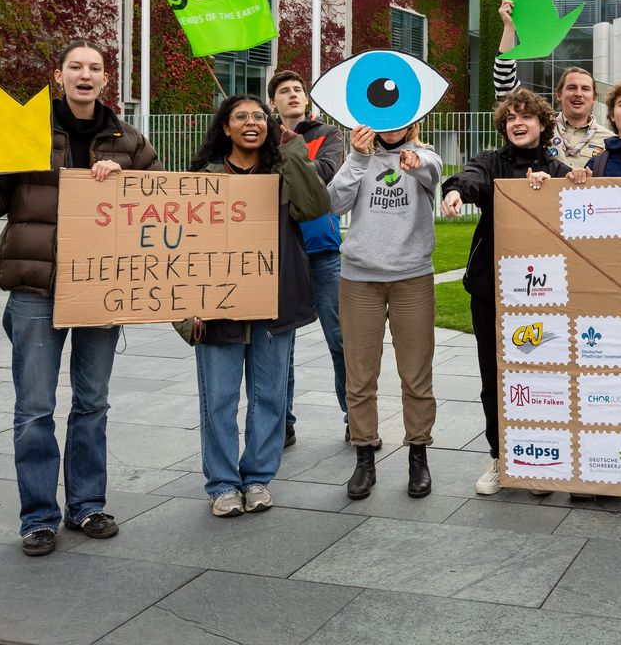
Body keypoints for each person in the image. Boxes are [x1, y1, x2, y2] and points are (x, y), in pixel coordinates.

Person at [0, 39, 161, 557]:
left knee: (92, 403)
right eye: (75, 66)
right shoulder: (23, 129)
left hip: (102, 286)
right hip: (36, 288)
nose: (85, 75)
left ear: (106, 79)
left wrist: (125, 182)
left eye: (95, 68)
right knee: (34, 408)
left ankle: (87, 506)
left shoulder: (127, 138)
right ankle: (38, 517)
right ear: (59, 76)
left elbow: (161, 196)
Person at [186, 95, 330, 517]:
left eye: (258, 116)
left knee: (269, 396)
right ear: (225, 128)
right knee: (219, 400)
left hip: (274, 304)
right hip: (217, 307)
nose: (252, 122)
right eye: (240, 116)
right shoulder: (201, 176)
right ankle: (222, 484)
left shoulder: (283, 170)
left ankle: (258, 479)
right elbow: (182, 251)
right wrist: (188, 310)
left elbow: (315, 207)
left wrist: (293, 150)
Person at [439, 89, 571, 495]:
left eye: (527, 116)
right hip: (491, 288)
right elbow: (471, 177)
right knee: (493, 376)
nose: (519, 122)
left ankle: (542, 457)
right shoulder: (491, 161)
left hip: (546, 292)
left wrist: (552, 189)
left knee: (542, 376)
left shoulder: (559, 168)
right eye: (512, 116)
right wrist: (457, 191)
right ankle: (500, 458)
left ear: (542, 124)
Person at [327, 120, 441, 501]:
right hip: (360, 279)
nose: (392, 128)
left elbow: (432, 172)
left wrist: (415, 162)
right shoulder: (359, 158)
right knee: (360, 375)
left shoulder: (424, 156)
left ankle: (418, 454)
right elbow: (334, 203)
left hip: (412, 277)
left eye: (401, 121)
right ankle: (364, 456)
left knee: (416, 375)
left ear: (413, 120)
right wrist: (358, 159)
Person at [267, 70, 346, 449]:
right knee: (281, 345)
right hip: (279, 252)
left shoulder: (327, 136)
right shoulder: (262, 137)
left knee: (340, 339)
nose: (293, 95)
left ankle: (356, 418)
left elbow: (326, 177)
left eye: (298, 90)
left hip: (322, 251)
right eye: (284, 91)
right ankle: (282, 424)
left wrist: (289, 162)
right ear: (273, 103)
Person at [493, 0, 606, 169]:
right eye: (571, 87)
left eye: (585, 89)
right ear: (558, 94)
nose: (578, 94)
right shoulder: (538, 128)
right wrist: (509, 28)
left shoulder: (609, 140)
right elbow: (504, 79)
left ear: (594, 98)